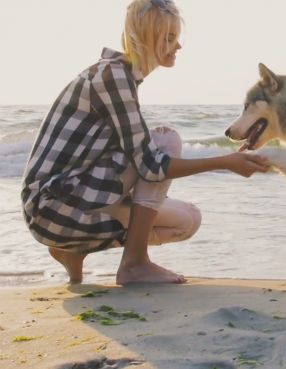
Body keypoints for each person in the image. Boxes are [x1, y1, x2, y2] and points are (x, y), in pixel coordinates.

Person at [20, 0, 268, 285]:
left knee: (187, 221)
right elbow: (150, 165)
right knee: (165, 139)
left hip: (65, 207)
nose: (178, 46)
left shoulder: (121, 77)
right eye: (169, 38)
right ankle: (135, 264)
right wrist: (224, 162)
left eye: (176, 37)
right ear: (147, 38)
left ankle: (72, 251)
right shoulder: (111, 75)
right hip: (52, 206)